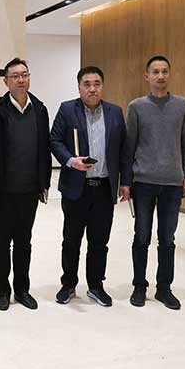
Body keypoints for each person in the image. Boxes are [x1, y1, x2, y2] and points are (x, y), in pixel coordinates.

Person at [50, 66, 131, 307]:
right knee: (71, 240)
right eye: (87, 84)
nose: (92, 88)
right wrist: (70, 160)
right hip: (76, 188)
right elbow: (54, 140)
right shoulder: (67, 109)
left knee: (99, 241)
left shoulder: (115, 112)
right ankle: (68, 284)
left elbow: (124, 150)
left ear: (102, 86)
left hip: (104, 188)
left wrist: (126, 182)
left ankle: (96, 285)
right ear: (79, 87)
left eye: (97, 83)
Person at [127, 55, 185, 310]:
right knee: (141, 236)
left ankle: (164, 288)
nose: (161, 76)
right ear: (147, 76)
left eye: (165, 71)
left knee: (167, 238)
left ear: (170, 74)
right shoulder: (136, 107)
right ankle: (139, 286)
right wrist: (127, 180)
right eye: (155, 71)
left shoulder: (183, 106)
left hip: (173, 184)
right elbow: (129, 145)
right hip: (143, 182)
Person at [0, 57, 51, 311]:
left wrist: (44, 182)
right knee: (2, 242)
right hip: (4, 191)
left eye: (24, 75)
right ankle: (2, 291)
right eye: (15, 76)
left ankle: (22, 289)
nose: (20, 79)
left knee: (24, 242)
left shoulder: (40, 109)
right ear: (6, 81)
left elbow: (45, 148)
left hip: (29, 189)